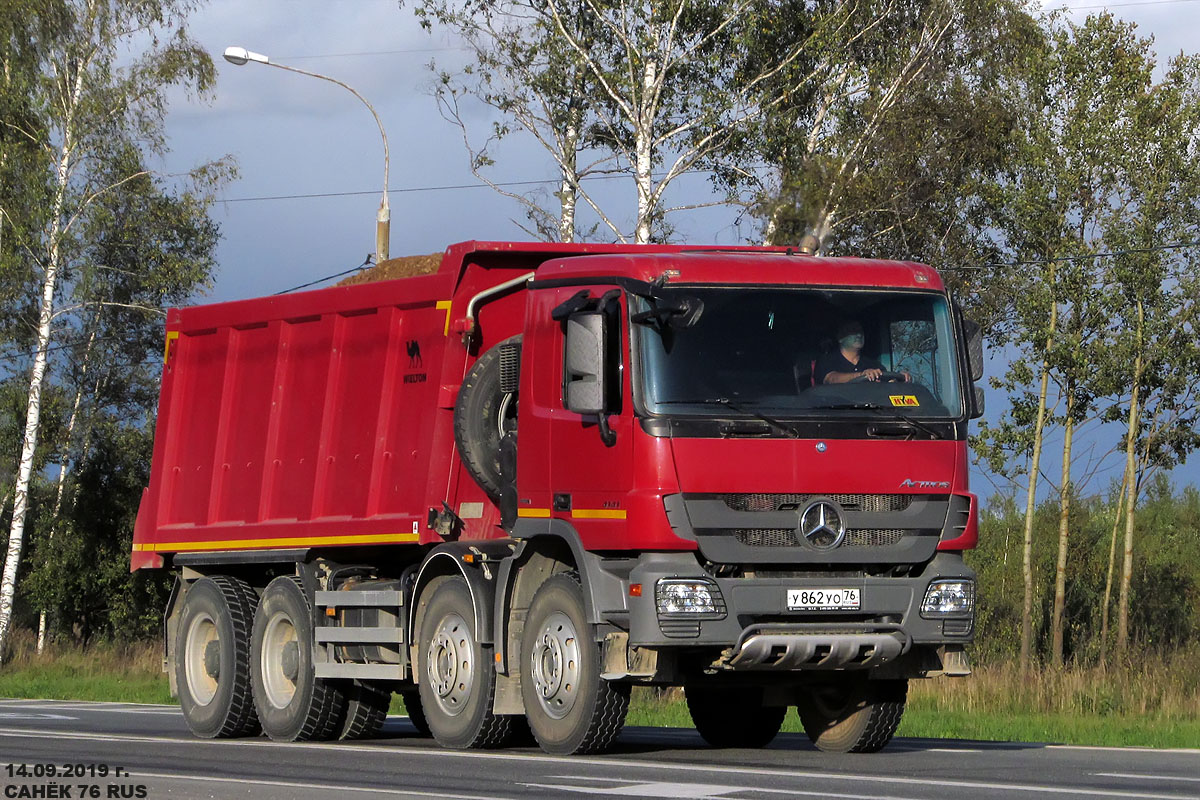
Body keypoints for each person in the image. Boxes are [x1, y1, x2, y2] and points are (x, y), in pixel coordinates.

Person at [814, 321, 907, 385]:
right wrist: (862, 375)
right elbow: (831, 379)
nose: (859, 335)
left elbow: (888, 383)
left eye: (861, 331)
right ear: (840, 338)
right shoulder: (826, 360)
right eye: (853, 331)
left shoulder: (873, 364)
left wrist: (900, 379)